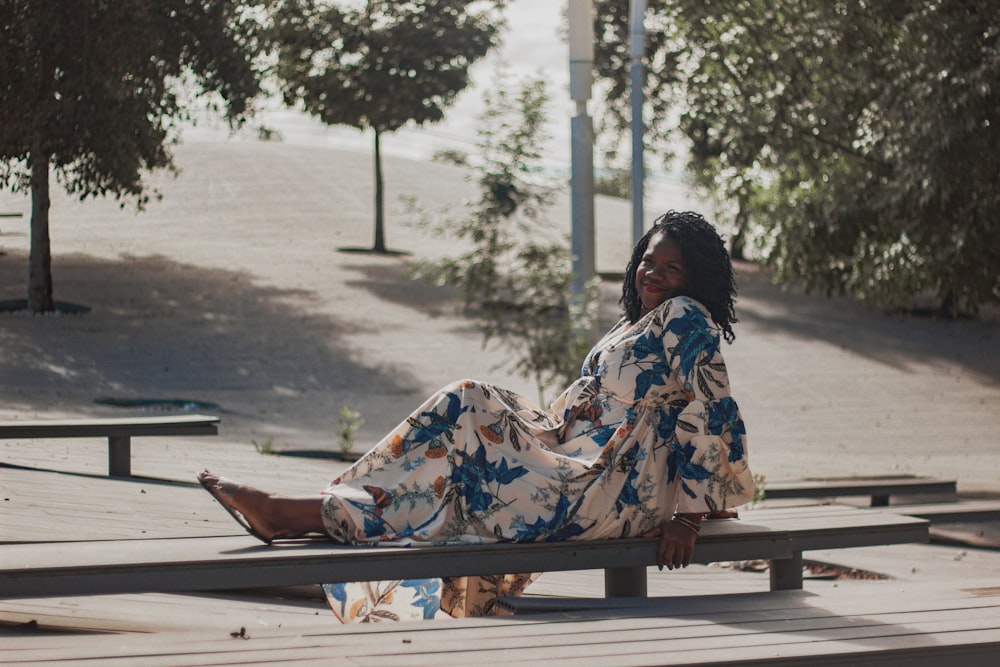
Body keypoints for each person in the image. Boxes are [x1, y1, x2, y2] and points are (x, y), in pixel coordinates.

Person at [198, 209, 754, 617]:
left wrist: (689, 514)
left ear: (693, 279)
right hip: (582, 458)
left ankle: (289, 512)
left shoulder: (685, 316)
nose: (652, 274)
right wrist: (540, 434)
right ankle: (302, 511)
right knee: (464, 415)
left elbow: (712, 409)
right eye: (648, 261)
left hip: (617, 484)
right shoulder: (640, 320)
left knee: (463, 444)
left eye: (670, 268)